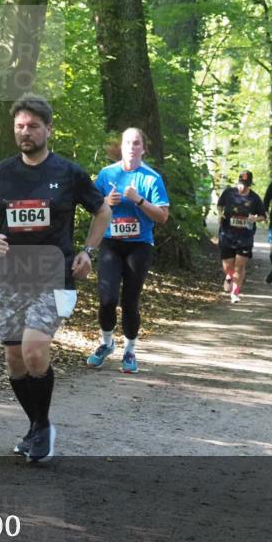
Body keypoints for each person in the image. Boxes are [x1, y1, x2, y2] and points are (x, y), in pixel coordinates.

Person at [0, 93, 111, 462]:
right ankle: (36, 427)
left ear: (48, 129)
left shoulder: (68, 173)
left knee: (34, 348)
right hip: (12, 278)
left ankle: (43, 428)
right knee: (15, 359)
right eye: (20, 126)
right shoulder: (1, 173)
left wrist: (88, 251)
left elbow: (102, 212)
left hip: (55, 275)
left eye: (33, 126)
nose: (26, 132)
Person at [85, 128, 170, 373]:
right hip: (111, 243)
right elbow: (91, 205)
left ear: (143, 148)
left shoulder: (151, 178)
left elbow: (163, 216)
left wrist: (139, 200)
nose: (131, 148)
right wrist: (104, 203)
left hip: (139, 245)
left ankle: (130, 350)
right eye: (127, 143)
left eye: (136, 144)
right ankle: (106, 344)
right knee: (107, 298)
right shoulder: (106, 174)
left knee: (130, 301)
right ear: (121, 147)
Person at [216, 171, 267, 303]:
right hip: (227, 234)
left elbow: (263, 216)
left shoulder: (255, 198)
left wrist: (255, 218)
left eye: (245, 185)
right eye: (241, 184)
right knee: (228, 266)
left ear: (249, 185)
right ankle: (229, 275)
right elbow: (220, 205)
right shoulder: (228, 193)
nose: (242, 187)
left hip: (245, 236)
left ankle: (235, 292)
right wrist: (220, 215)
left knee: (239, 266)